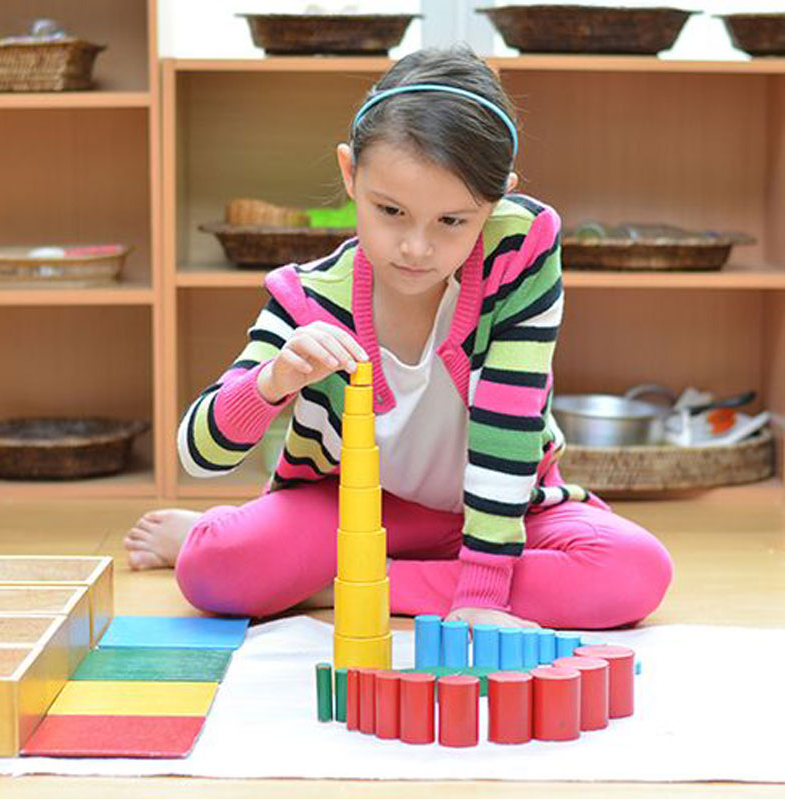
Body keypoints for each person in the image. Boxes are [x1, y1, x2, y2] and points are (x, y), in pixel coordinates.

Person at [125, 43, 673, 631]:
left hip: (503, 510)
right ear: (350, 173)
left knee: (635, 570)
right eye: (390, 211)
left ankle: (349, 583)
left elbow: (509, 419)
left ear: (497, 199)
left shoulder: (520, 248)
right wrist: (273, 381)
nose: (416, 248)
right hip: (354, 508)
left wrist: (483, 594)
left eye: (452, 221)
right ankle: (242, 542)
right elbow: (199, 454)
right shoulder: (310, 296)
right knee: (212, 570)